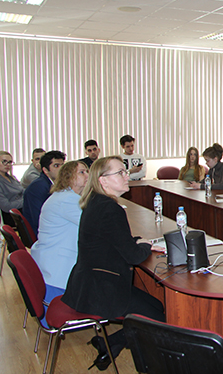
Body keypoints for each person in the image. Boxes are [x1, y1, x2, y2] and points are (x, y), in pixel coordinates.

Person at [62, 156, 165, 370]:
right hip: (102, 289)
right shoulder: (110, 209)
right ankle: (142, 359)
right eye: (120, 172)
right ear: (103, 180)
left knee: (156, 306)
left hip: (91, 282)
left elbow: (113, 239)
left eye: (125, 171)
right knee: (159, 317)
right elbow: (133, 257)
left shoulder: (97, 202)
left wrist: (138, 242)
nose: (127, 176)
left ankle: (109, 343)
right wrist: (145, 247)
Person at [31, 161, 89, 308]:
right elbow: (95, 225)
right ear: (69, 177)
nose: (88, 175)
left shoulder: (63, 196)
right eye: (82, 172)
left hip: (50, 261)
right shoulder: (68, 200)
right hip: (59, 271)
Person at [23, 150, 66, 236]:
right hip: (42, 233)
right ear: (45, 170)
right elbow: (39, 219)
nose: (62, 169)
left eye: (63, 165)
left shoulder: (52, 183)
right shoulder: (38, 187)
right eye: (56, 166)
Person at [0, 151, 24, 226]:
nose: (7, 165)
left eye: (10, 162)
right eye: (4, 161)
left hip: (21, 210)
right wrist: (26, 200)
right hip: (12, 216)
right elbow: (6, 207)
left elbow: (23, 192)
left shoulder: (12, 178)